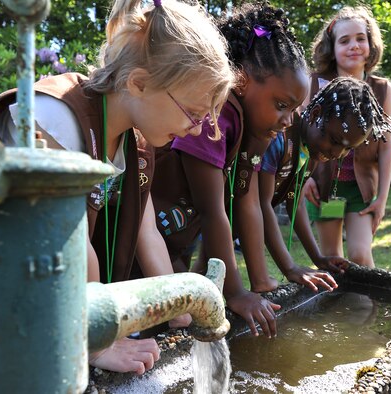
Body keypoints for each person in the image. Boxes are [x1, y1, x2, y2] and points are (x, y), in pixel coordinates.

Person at [0, 0, 235, 374]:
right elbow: (67, 240)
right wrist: (96, 341)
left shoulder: (134, 140)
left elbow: (147, 230)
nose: (196, 129)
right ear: (139, 83)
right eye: (193, 113)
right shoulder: (55, 116)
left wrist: (178, 301)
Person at [151, 2, 308, 338]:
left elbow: (239, 202)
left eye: (293, 109)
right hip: (147, 244)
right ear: (242, 80)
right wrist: (235, 292)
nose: (288, 120)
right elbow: (212, 212)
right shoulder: (215, 116)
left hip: (174, 244)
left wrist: (254, 280)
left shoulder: (251, 126)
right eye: (281, 105)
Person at [234, 77, 391, 293]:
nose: (338, 154)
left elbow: (296, 203)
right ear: (315, 114)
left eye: (348, 149)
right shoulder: (279, 138)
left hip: (232, 219)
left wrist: (318, 258)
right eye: (336, 141)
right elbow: (262, 205)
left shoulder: (311, 151)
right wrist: (289, 267)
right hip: (224, 212)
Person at [302, 5, 391, 268]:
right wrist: (304, 176)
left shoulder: (383, 89)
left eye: (360, 38)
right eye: (344, 40)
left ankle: (368, 309)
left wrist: (382, 199)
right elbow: (297, 133)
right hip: (325, 189)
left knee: (360, 255)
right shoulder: (315, 84)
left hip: (361, 190)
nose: (353, 45)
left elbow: (387, 147)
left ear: (371, 44)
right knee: (334, 259)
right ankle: (340, 309)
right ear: (332, 49)